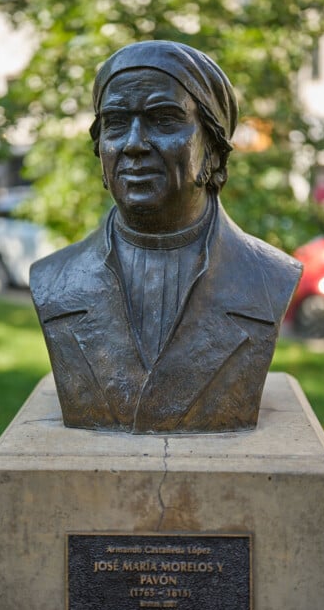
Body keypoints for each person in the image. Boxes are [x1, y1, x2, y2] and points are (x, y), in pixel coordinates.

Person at [30, 41, 302, 434]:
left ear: (212, 146)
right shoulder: (54, 280)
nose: (134, 144)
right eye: (117, 122)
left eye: (163, 119)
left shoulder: (268, 278)